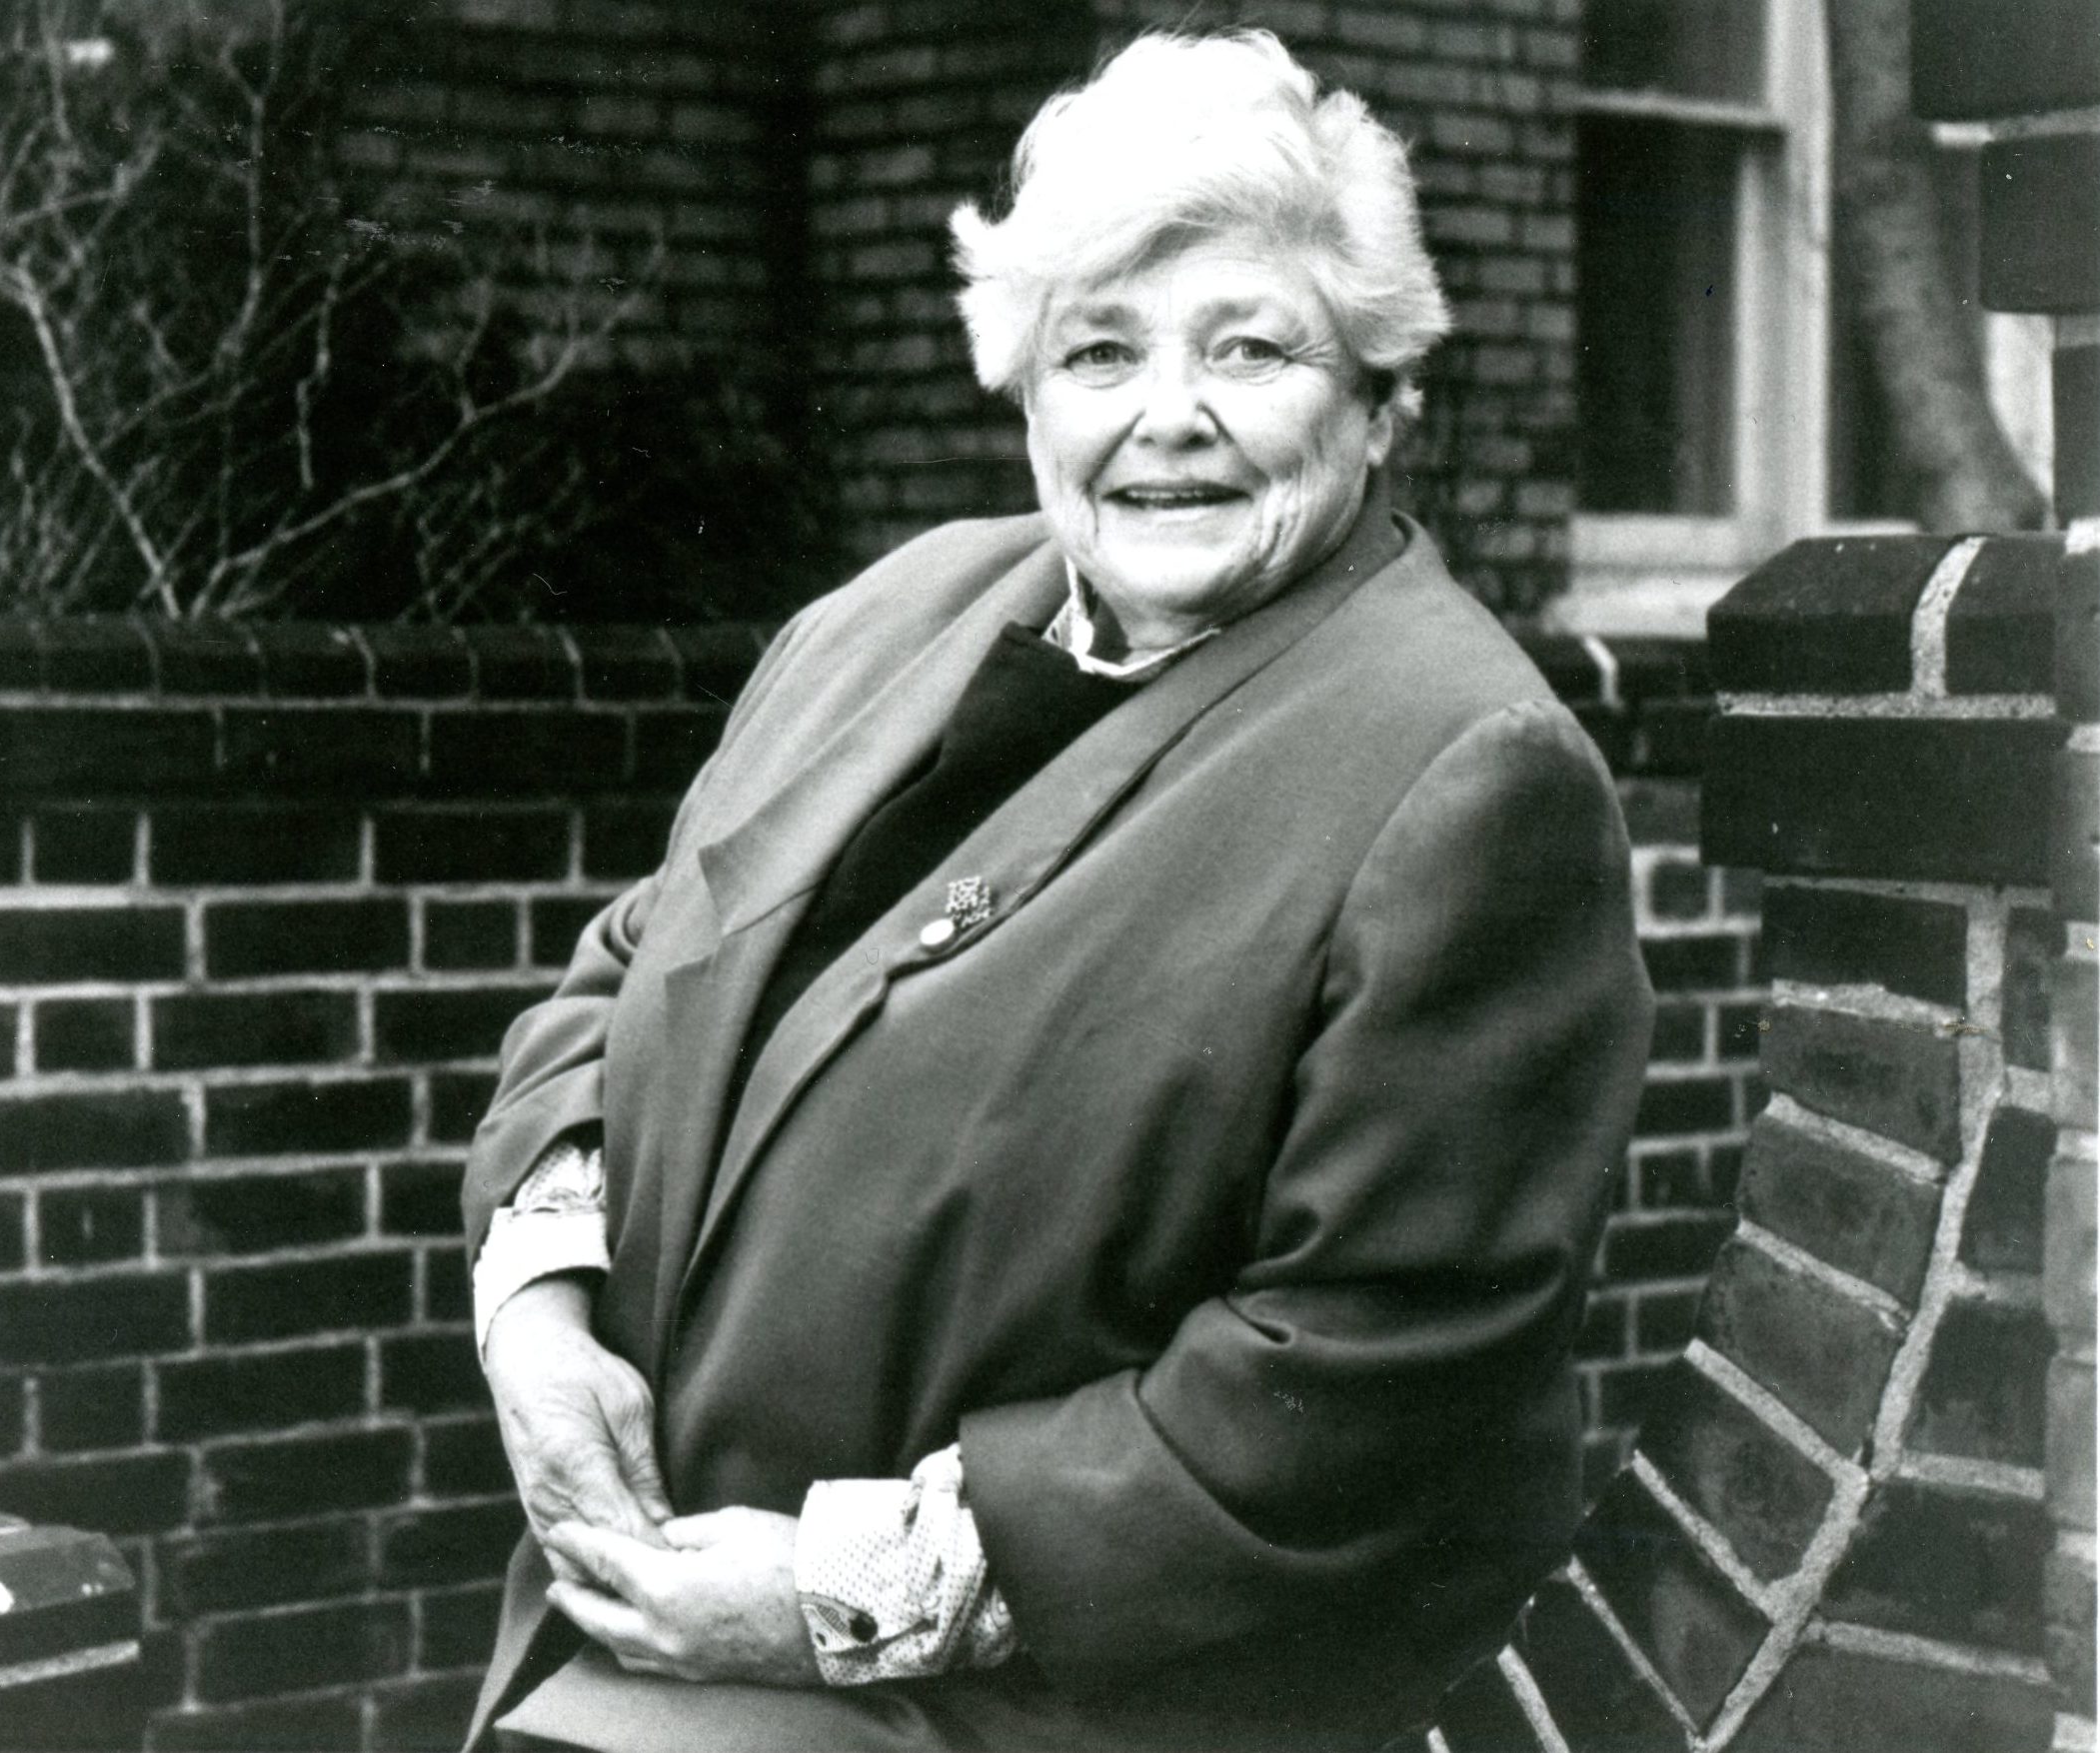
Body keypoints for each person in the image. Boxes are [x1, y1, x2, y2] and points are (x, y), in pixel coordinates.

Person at [461, 29, 1653, 1753]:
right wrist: (542, 1314)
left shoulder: (1469, 771)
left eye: (1251, 347)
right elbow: (635, 962)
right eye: (1100, 350)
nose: (1167, 414)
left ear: (1382, 398)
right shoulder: (884, 620)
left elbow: (1367, 1375)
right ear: (1028, 394)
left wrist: (837, 1596)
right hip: (615, 1656)